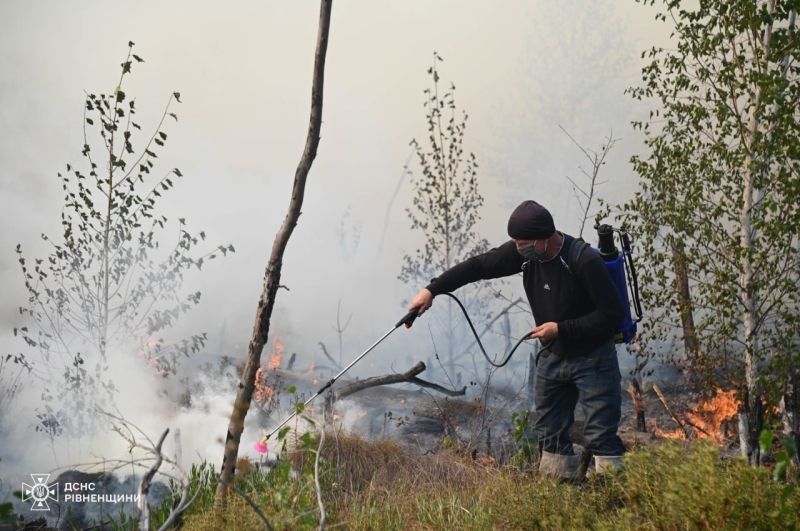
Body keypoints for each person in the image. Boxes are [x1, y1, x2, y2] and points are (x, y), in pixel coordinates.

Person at [408, 200, 626, 479]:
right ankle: (559, 495)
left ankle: (614, 500)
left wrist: (561, 329)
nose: (517, 247)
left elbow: (611, 314)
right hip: (553, 356)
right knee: (550, 434)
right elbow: (478, 266)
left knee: (601, 436)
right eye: (514, 242)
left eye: (522, 242)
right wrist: (432, 289)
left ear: (544, 239)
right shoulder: (525, 254)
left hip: (594, 358)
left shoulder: (583, 260)